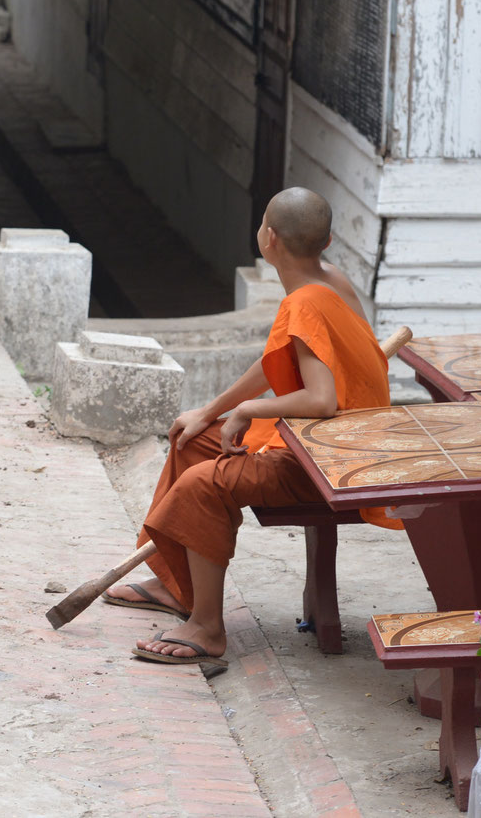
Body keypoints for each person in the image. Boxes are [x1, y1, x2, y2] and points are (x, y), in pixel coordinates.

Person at [111, 188, 399, 665]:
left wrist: (248, 412)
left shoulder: (307, 301)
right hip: (326, 443)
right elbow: (278, 361)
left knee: (204, 484)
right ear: (326, 241)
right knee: (191, 440)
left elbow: (322, 399)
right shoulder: (330, 282)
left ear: (268, 238)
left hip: (326, 462)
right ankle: (172, 580)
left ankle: (207, 629)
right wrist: (211, 410)